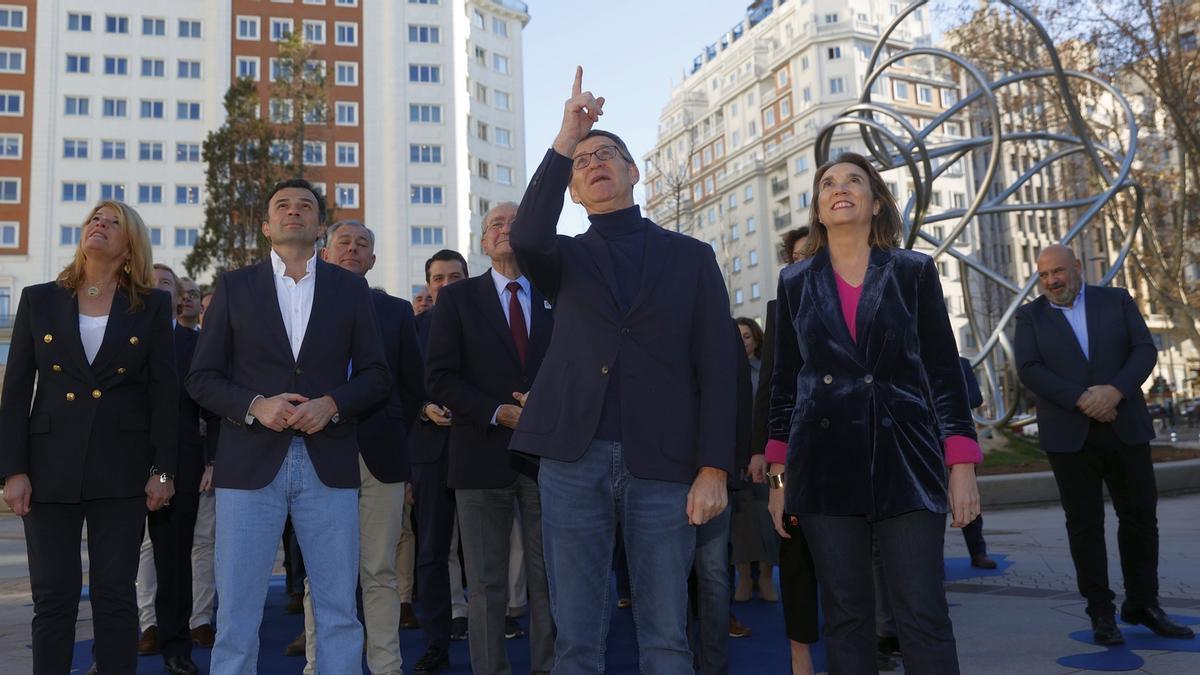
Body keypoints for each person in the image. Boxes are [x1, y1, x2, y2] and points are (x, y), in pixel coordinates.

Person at [509, 67, 735, 674]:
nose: (595, 163)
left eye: (607, 154)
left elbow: (720, 367)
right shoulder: (565, 258)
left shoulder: (692, 258)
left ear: (634, 172)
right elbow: (527, 234)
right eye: (582, 163)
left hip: (664, 463)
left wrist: (714, 466)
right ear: (574, 191)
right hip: (571, 458)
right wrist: (565, 138)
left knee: (665, 636)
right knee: (576, 638)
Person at [766, 153, 982, 674]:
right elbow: (784, 385)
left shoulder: (912, 270)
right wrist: (778, 482)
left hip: (907, 463)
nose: (840, 188)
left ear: (876, 201)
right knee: (845, 617)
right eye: (828, 183)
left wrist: (962, 467)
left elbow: (943, 373)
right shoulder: (794, 282)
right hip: (823, 469)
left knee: (923, 616)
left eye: (854, 181)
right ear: (817, 207)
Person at [186, 179, 391, 674]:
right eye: (282, 205)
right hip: (249, 463)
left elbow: (377, 375)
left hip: (329, 463)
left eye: (305, 206)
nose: (293, 211)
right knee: (236, 611)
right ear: (266, 226)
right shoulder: (234, 287)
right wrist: (255, 404)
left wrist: (332, 404)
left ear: (320, 226)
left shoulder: (351, 288)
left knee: (339, 609)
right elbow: (201, 378)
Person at [0, 200, 178, 674]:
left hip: (122, 469)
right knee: (53, 598)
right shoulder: (39, 298)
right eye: (94, 219)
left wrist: (163, 470)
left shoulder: (153, 304)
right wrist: (13, 469)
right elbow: (16, 392)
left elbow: (164, 394)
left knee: (114, 597)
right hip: (48, 467)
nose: (98, 225)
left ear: (130, 244)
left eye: (112, 222)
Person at [1014, 244, 1194, 645]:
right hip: (1069, 436)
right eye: (1043, 276)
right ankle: (1101, 612)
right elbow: (1029, 369)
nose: (1051, 281)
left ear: (1077, 267)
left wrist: (1115, 391)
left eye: (1058, 271)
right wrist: (1083, 399)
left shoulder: (1117, 300)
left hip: (1125, 426)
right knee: (1085, 526)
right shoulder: (1030, 316)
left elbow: (1144, 349)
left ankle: (1143, 604)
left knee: (1140, 519)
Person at [425, 202, 557, 675]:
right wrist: (497, 412)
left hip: (551, 459)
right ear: (483, 242)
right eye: (495, 224)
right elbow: (439, 378)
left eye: (516, 222)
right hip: (479, 455)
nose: (506, 229)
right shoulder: (457, 300)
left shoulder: (558, 294)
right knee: (485, 583)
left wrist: (546, 405)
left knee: (550, 580)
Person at [294, 220, 425, 674]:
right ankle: (320, 666)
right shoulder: (298, 305)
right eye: (343, 242)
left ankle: (387, 667)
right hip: (317, 454)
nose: (353, 249)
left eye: (363, 244)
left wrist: (392, 431)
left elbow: (412, 386)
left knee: (380, 572)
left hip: (381, 455)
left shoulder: (396, 311)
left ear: (372, 260)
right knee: (323, 576)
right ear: (324, 253)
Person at [748, 227, 818, 675]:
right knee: (793, 555)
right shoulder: (778, 310)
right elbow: (771, 385)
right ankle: (800, 656)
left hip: (846, 457)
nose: (801, 264)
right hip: (786, 459)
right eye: (793, 258)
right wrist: (761, 451)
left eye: (810, 255)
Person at [408, 248, 468, 673]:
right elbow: (398, 385)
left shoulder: (493, 321)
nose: (446, 286)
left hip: (484, 448)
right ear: (428, 286)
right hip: (429, 453)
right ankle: (436, 642)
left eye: (454, 277)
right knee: (430, 551)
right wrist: (423, 407)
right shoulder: (411, 329)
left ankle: (491, 635)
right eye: (439, 279)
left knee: (488, 553)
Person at [732, 317, 778, 608]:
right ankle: (745, 577)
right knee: (740, 520)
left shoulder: (768, 373)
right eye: (737, 337)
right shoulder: (724, 373)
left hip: (773, 463)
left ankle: (766, 576)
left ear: (757, 340)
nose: (742, 341)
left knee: (772, 515)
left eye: (747, 336)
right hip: (736, 459)